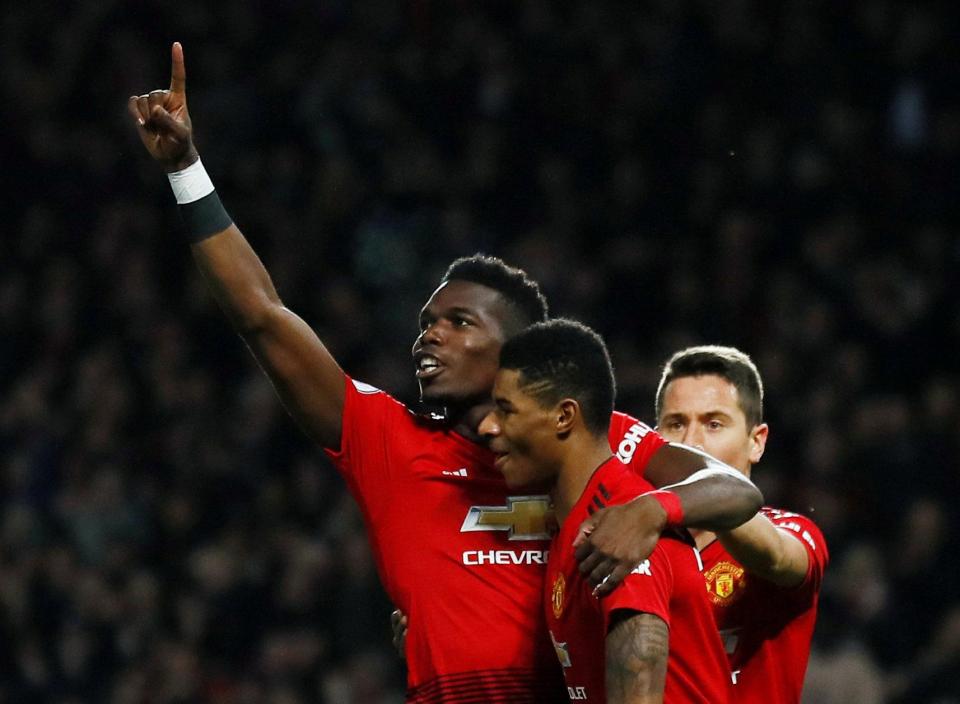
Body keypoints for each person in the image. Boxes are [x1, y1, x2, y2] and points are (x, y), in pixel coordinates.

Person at [128, 43, 761, 702]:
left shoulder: (596, 443)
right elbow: (263, 316)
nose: (429, 334)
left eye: (459, 322)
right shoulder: (389, 442)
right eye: (428, 321)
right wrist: (185, 171)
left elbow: (732, 491)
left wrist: (649, 512)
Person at [479, 319, 731, 703]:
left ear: (564, 416)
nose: (487, 426)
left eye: (505, 410)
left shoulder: (621, 528)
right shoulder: (578, 523)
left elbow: (639, 664)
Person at [650, 346, 828, 701]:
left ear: (756, 442)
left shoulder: (794, 532)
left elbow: (778, 557)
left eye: (713, 424)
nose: (690, 442)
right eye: (675, 424)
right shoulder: (631, 543)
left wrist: (708, 499)